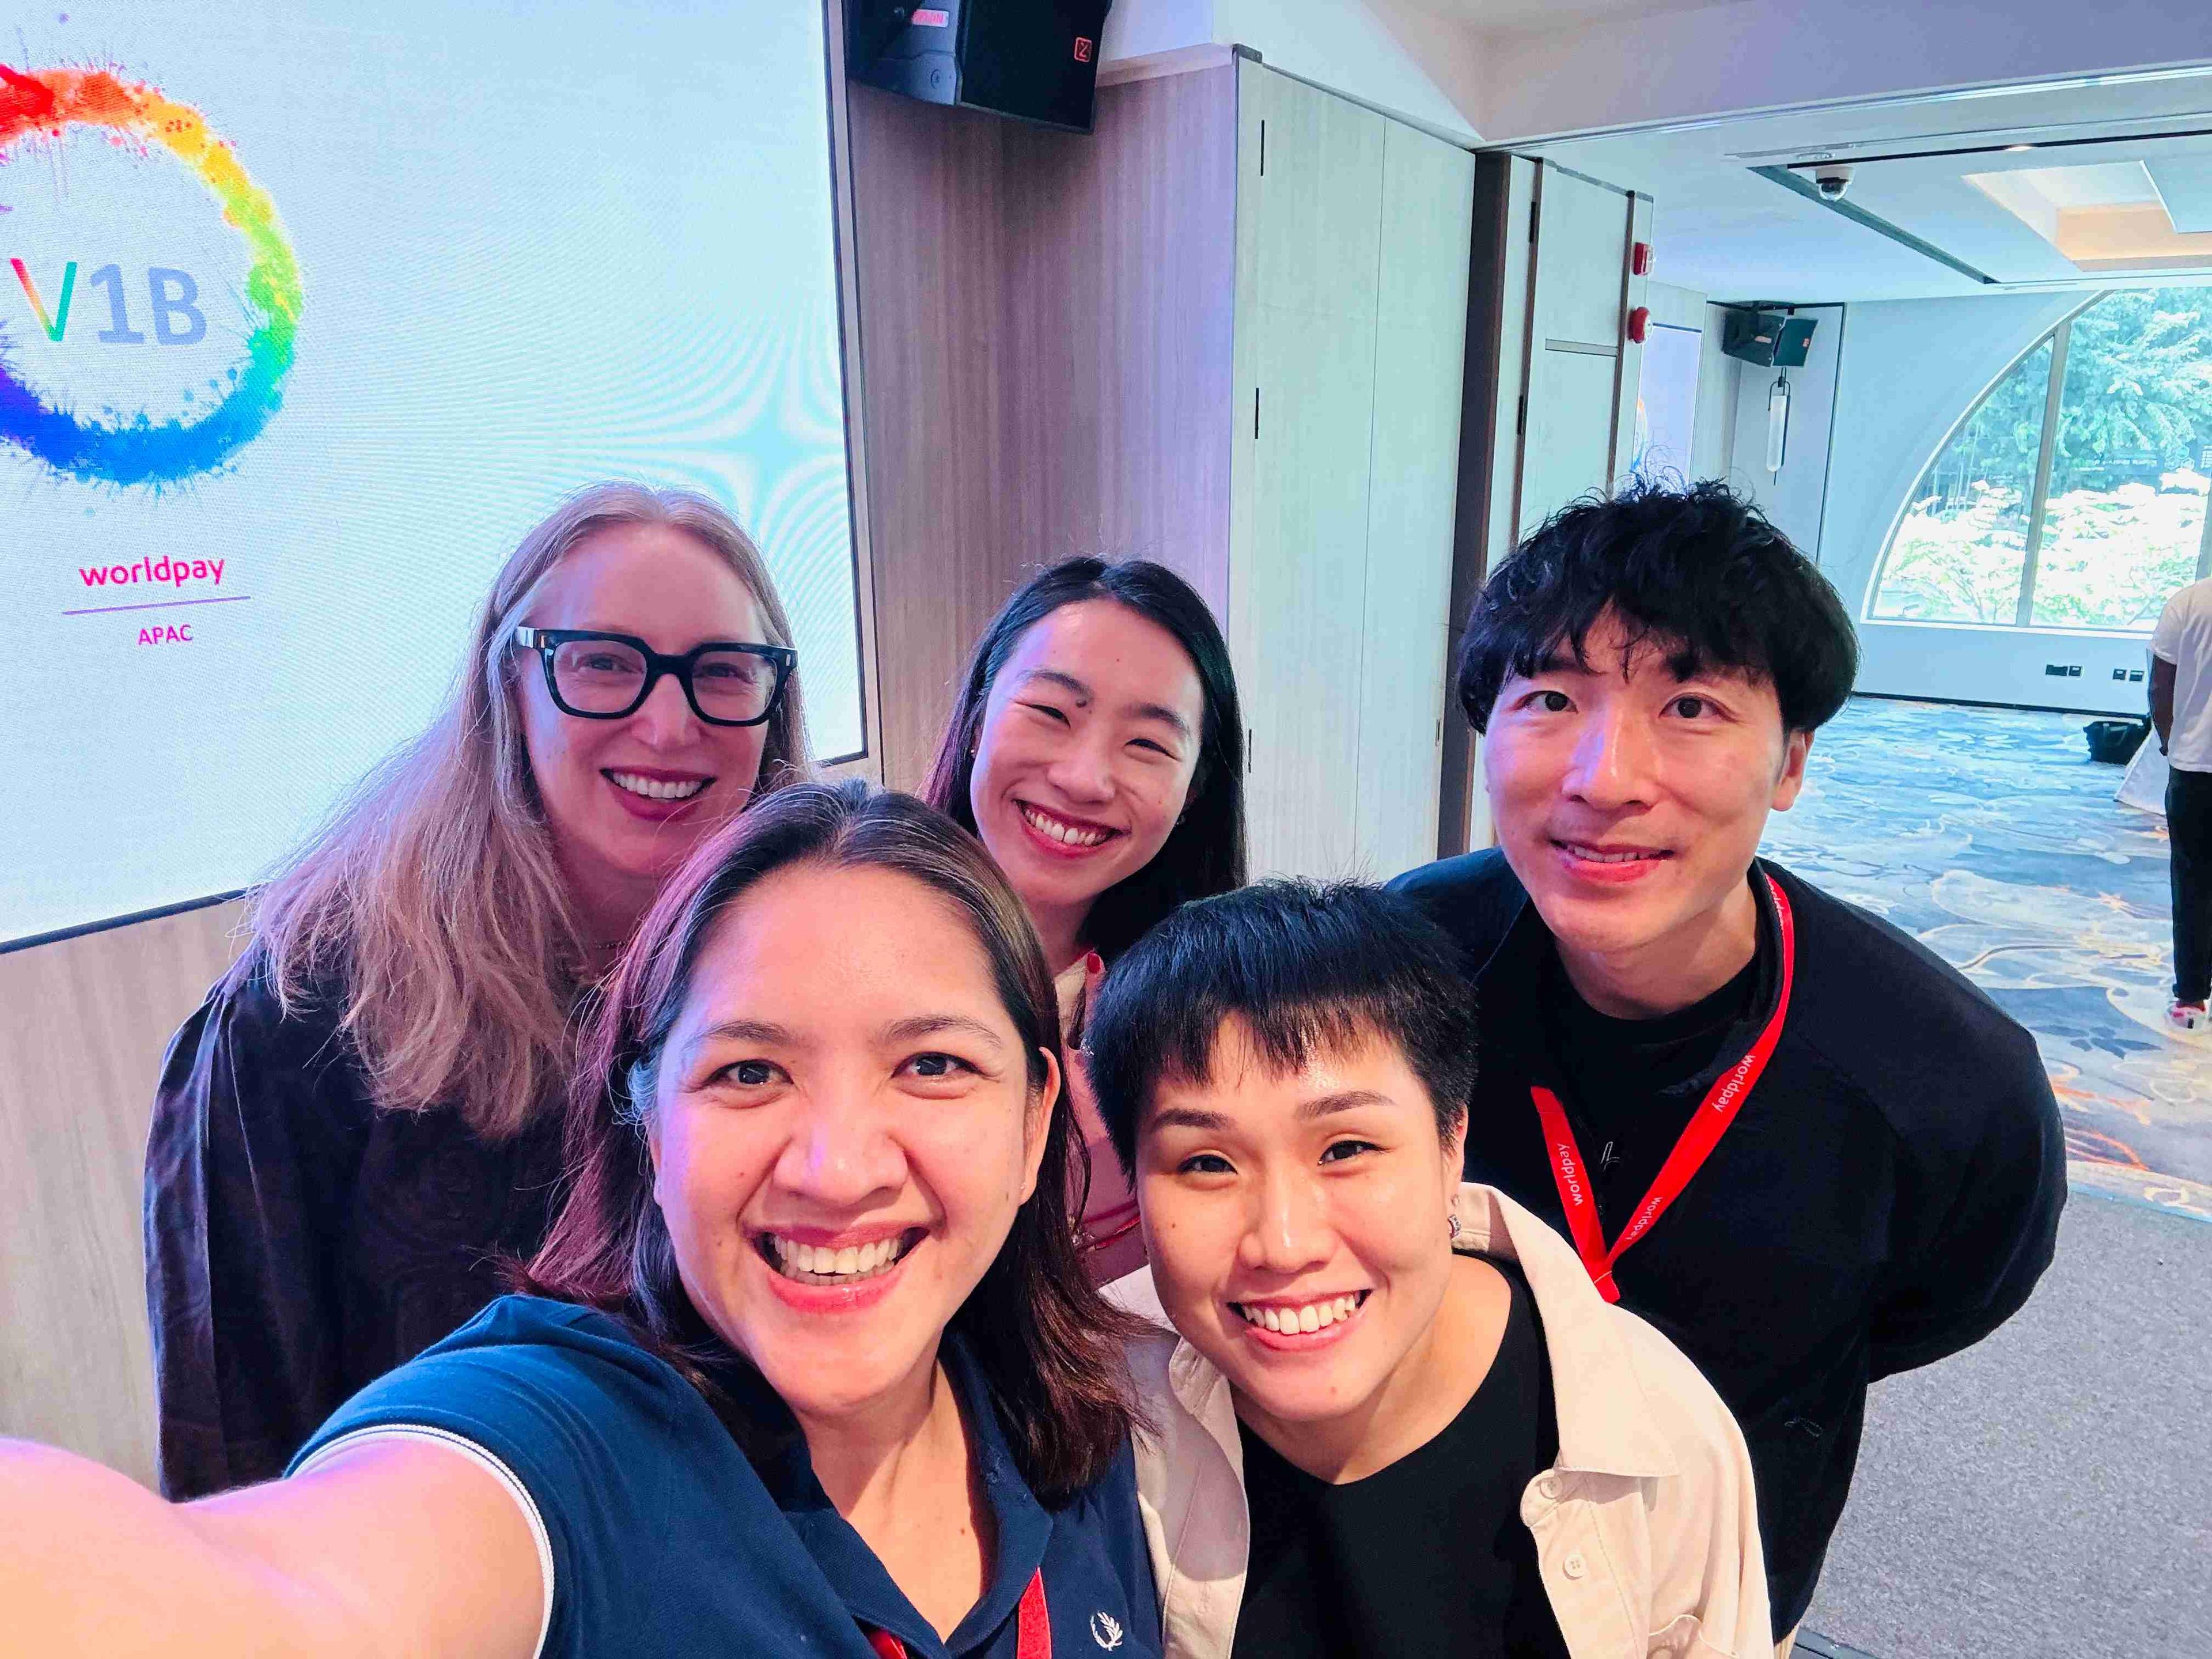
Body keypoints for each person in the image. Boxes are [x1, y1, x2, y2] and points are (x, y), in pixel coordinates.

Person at [5, 784, 1159, 1658]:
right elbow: (283, 1604)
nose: (837, 1166)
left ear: (1032, 1122)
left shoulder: (1070, 1426)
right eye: (750, 1074)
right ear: (650, 1131)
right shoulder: (571, 1446)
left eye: (934, 1064)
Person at [1388, 480, 2067, 1649]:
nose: (1606, 778)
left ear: (1792, 761)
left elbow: (1948, 1292)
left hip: (1712, 1587)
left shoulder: (1946, 1084)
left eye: (1692, 705)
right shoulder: (1397, 975)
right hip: (1413, 1553)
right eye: (1551, 697)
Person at [144, 482, 811, 1499]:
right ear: (510, 684)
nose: (671, 725)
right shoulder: (306, 1020)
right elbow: (237, 1449)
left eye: (722, 671)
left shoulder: (804, 969)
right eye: (604, 663)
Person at [1084, 880, 1773, 1658]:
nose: (1282, 1243)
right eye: (1206, 1163)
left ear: (1453, 1145)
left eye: (1346, 1149)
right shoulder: (1089, 1410)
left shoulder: (1659, 1435)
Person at [925, 557, 1247, 1277]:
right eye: (1049, 713)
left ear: (1193, 791)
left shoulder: (1210, 1017)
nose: (1083, 778)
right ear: (977, 717)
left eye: (1147, 745)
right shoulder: (843, 949)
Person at [2150, 574, 2212, 1030]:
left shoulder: (2187, 603)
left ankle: (2190, 997)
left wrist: (2171, 740)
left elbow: (2159, 687)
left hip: (2195, 768)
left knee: (2191, 882)